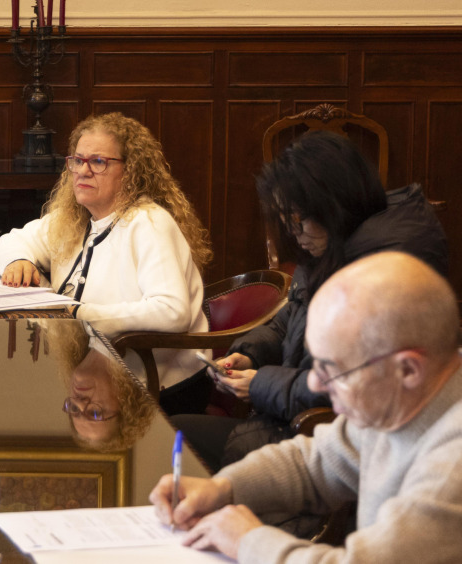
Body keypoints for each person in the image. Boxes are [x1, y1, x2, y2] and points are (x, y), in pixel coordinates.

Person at [151, 251, 462, 564]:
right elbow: (314, 461)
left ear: (408, 370)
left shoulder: (451, 468)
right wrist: (223, 488)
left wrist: (248, 540)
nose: (314, 384)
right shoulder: (397, 402)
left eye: (332, 370)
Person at [172, 130, 448, 470]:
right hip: (291, 422)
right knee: (174, 429)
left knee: (175, 436)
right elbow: (290, 317)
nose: (295, 235)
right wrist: (248, 353)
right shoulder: (336, 242)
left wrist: (261, 385)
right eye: (287, 222)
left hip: (323, 440)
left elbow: (347, 387)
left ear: (333, 204)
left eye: (298, 221)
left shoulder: (381, 271)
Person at [0, 112, 213, 394]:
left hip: (160, 386)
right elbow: (10, 241)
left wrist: (82, 314)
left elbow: (172, 312)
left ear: (131, 170)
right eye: (77, 160)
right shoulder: (73, 219)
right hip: (100, 375)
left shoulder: (148, 223)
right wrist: (18, 260)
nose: (83, 171)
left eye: (98, 162)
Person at [45, 319, 158, 453]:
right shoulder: (139, 354)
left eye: (74, 408)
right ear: (128, 404)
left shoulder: (71, 336)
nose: (79, 402)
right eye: (95, 413)